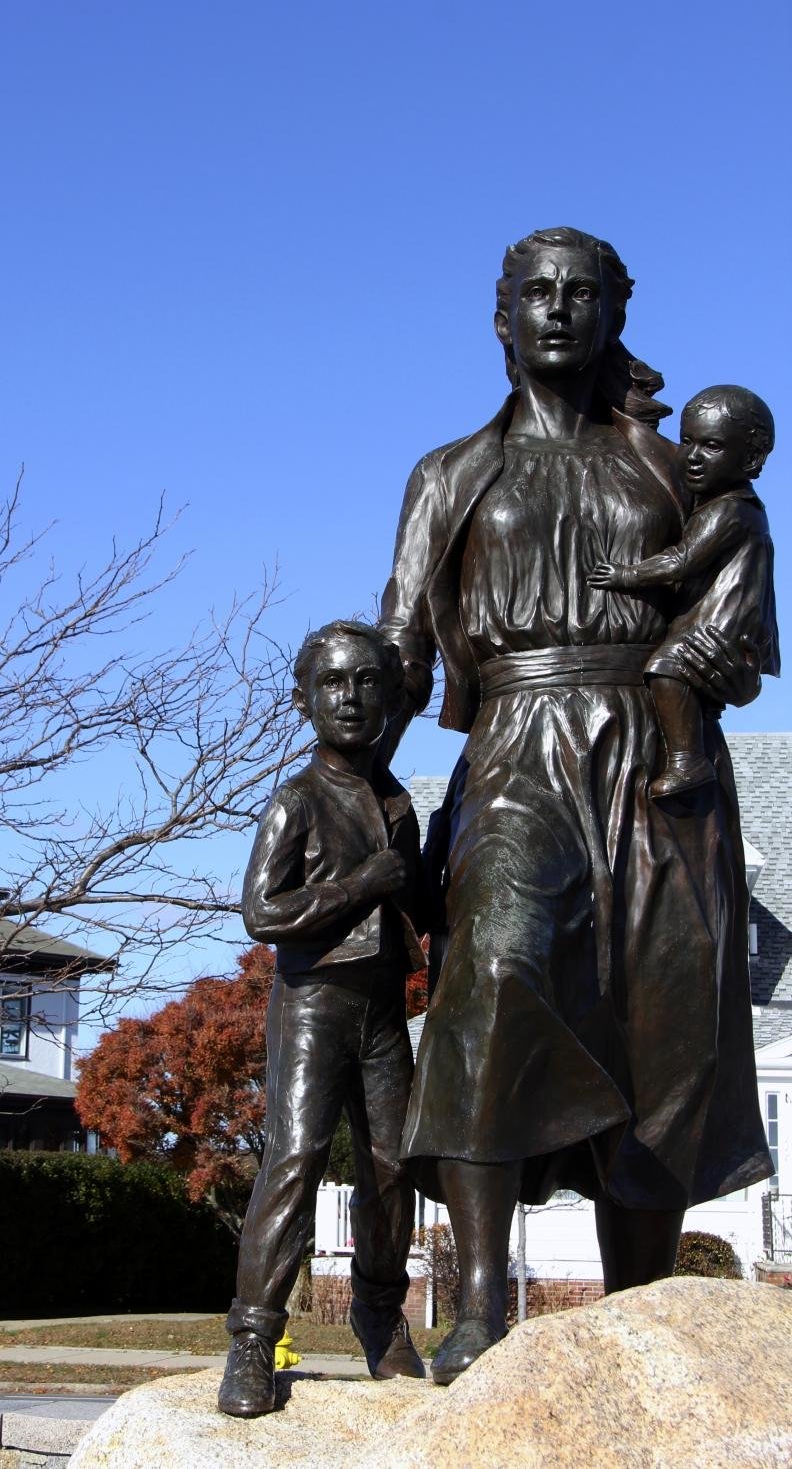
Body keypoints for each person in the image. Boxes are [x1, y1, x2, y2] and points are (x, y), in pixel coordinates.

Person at [378, 228, 775, 1385]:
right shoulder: (451, 474)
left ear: (613, 313)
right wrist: (351, 786)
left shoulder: (674, 468)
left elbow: (741, 620)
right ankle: (484, 1300)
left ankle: (638, 1311)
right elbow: (405, 642)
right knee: (493, 978)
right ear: (499, 317)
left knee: (664, 1027)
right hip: (513, 743)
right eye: (534, 294)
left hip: (663, 753)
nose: (557, 311)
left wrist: (695, 678)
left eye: (581, 295)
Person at [217, 619, 427, 1419]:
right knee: (295, 1159)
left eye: (368, 682)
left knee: (393, 1167)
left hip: (383, 1009)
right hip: (314, 1004)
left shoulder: (397, 802)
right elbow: (260, 913)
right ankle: (251, 1339)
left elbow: (419, 900)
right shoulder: (297, 800)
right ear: (303, 700)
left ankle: (379, 1314)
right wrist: (362, 884)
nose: (351, 698)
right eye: (333, 683)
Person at [588, 385, 779, 797]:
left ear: (750, 459)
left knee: (668, 667)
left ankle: (687, 761)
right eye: (687, 440)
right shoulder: (720, 505)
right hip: (711, 620)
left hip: (719, 625)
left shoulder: (730, 510)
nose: (691, 456)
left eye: (711, 446)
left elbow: (681, 560)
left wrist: (625, 576)